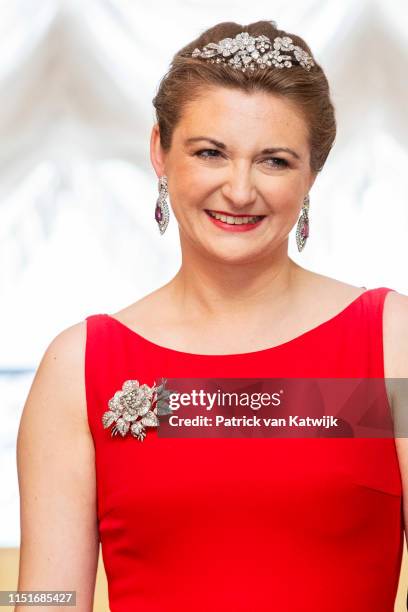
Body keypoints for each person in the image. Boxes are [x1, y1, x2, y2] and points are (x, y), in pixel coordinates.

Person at [16, 20, 408, 612]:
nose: (240, 189)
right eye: (210, 153)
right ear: (160, 153)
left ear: (312, 175)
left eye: (274, 160)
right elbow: (45, 602)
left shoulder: (390, 340)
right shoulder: (81, 367)